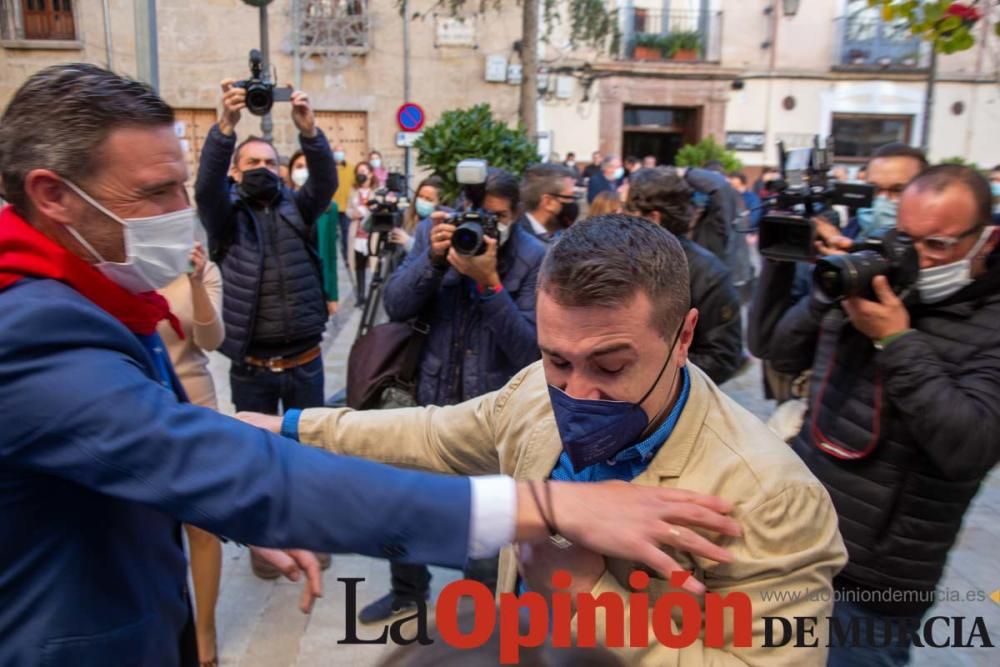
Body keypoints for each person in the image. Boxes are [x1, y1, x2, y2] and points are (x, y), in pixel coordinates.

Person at [0, 63, 714, 666]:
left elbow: (157, 459)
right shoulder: (28, 327)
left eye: (179, 186)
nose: (179, 209)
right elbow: (203, 459)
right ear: (53, 195)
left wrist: (277, 448)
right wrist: (548, 506)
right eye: (155, 193)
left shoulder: (94, 291)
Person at [249, 216, 848, 666]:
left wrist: (584, 591)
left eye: (611, 367)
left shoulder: (772, 497)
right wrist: (291, 429)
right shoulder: (537, 391)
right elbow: (437, 434)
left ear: (684, 335)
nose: (576, 393)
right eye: (557, 358)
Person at [749, 164, 1000, 667]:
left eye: (938, 246)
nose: (917, 258)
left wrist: (897, 339)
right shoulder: (881, 279)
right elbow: (777, 350)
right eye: (904, 238)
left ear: (987, 240)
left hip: (877, 580)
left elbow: (969, 448)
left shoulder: (990, 324)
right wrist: (825, 294)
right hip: (795, 542)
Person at [356, 168, 549, 623]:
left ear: (516, 215)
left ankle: (474, 615)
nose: (481, 224)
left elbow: (529, 351)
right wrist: (433, 261)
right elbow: (397, 305)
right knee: (402, 507)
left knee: (486, 528)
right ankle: (408, 591)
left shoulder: (534, 257)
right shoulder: (432, 232)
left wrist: (488, 283)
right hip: (427, 399)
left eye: (495, 216)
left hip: (493, 416)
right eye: (473, 213)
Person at [194, 78, 335, 522]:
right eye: (252, 161)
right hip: (252, 367)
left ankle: (308, 528)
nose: (262, 168)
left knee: (308, 454)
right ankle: (265, 533)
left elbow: (327, 181)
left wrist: (309, 131)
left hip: (305, 363)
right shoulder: (227, 217)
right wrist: (225, 127)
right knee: (257, 457)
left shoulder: (300, 206)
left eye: (270, 162)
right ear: (235, 171)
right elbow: (204, 189)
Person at [157, 241, 225, 667]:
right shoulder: (116, 267)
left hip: (196, 404)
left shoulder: (202, 269)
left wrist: (197, 281)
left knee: (203, 525)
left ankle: (205, 632)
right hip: (140, 404)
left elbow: (212, 338)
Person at [628, 168, 744, 384]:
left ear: (653, 218)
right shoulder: (618, 257)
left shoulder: (710, 274)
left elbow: (722, 358)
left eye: (627, 211)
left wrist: (644, 369)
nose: (619, 216)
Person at [818, 143, 928, 243]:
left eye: (898, 190)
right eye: (874, 189)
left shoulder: (932, 247)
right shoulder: (852, 229)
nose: (881, 199)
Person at [685, 167, 755, 303]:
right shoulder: (729, 205)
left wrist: (685, 173)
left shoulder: (724, 201)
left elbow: (718, 185)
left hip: (724, 275)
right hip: (727, 274)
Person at [290, 149, 338, 317]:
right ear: (291, 171)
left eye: (309, 167)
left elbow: (331, 255)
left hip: (316, 285)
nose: (303, 171)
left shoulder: (329, 208)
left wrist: (333, 295)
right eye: (299, 166)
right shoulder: (281, 204)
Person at [518, 163, 580, 243]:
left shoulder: (562, 236)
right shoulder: (520, 244)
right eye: (570, 197)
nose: (573, 203)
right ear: (548, 202)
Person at [348, 160, 376, 306]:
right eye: (358, 172)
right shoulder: (353, 192)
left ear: (370, 174)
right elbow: (347, 210)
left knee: (372, 266)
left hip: (371, 236)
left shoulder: (376, 193)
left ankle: (372, 295)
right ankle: (360, 296)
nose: (361, 175)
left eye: (364, 172)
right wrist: (354, 213)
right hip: (356, 235)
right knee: (359, 267)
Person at [332, 144, 352, 266]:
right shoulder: (329, 167)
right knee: (332, 235)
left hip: (346, 207)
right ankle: (332, 258)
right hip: (332, 206)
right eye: (336, 151)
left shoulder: (350, 168)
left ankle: (346, 258)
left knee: (346, 234)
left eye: (340, 151)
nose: (338, 154)